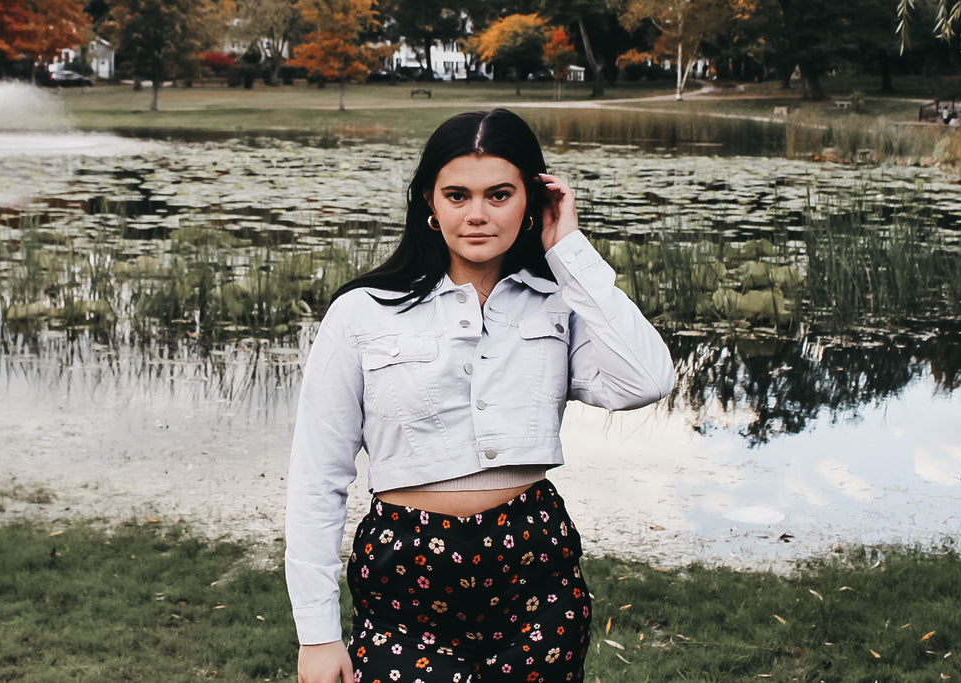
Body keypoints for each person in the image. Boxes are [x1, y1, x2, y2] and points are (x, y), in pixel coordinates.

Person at [286, 108, 675, 683]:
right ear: (427, 201)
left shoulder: (557, 304)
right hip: (406, 579)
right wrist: (317, 635)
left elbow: (648, 379)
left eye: (498, 195)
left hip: (534, 573)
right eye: (456, 195)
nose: (476, 215)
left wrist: (568, 249)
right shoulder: (362, 312)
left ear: (532, 200)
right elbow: (318, 477)